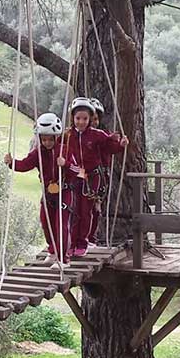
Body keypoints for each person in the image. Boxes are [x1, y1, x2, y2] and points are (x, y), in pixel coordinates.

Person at [61, 97, 128, 256]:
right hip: (74, 177)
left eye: (85, 118)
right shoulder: (68, 135)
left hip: (92, 179)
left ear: (90, 119)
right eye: (78, 118)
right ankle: (72, 242)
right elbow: (54, 145)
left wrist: (120, 145)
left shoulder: (97, 135)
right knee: (73, 210)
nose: (81, 122)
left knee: (86, 211)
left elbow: (110, 147)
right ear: (73, 118)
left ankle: (83, 242)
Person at [4, 112, 73, 267]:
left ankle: (64, 259)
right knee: (46, 222)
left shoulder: (65, 150)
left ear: (56, 137)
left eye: (50, 139)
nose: (47, 142)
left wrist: (65, 164)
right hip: (49, 193)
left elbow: (77, 170)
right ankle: (53, 251)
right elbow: (24, 165)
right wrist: (11, 163)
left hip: (65, 191)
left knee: (61, 224)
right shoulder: (38, 153)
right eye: (44, 139)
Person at [88, 97, 112, 246]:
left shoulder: (103, 136)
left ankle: (91, 238)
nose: (94, 123)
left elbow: (112, 147)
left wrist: (119, 142)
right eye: (91, 119)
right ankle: (83, 238)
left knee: (95, 208)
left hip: (101, 176)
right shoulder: (77, 137)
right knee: (83, 209)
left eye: (96, 119)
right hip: (85, 175)